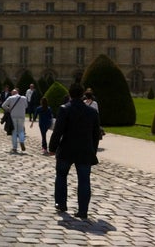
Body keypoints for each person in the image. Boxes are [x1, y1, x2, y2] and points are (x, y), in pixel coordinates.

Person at [48, 84, 101, 219]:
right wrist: (93, 151)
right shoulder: (92, 112)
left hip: (66, 149)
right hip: (85, 151)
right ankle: (83, 211)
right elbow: (96, 135)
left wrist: (52, 148)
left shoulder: (65, 109)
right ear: (83, 95)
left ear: (70, 94)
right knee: (84, 180)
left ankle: (61, 204)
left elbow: (58, 131)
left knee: (61, 176)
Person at [1, 88, 28, 153]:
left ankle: (14, 147)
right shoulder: (24, 98)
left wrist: (9, 109)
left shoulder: (10, 98)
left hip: (13, 116)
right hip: (22, 116)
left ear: (12, 93)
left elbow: (3, 105)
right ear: (18, 92)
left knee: (14, 132)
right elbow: (26, 106)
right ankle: (21, 141)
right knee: (21, 130)